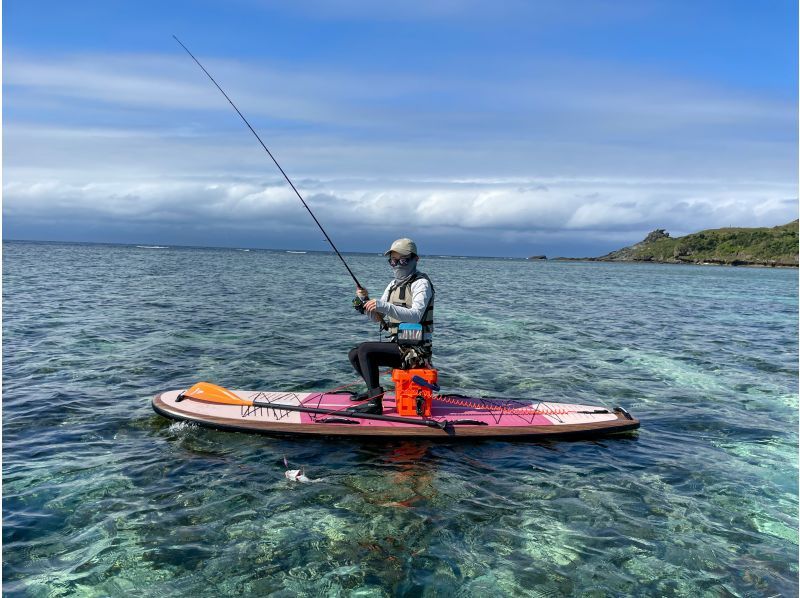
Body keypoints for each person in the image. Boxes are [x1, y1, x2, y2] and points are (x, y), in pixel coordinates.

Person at [347, 238, 434, 415]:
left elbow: (416, 315)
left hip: (416, 352)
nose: (397, 265)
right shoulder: (392, 285)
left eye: (402, 260)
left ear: (415, 259)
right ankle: (373, 392)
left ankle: (375, 404)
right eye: (393, 261)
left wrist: (382, 305)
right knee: (354, 354)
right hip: (399, 345)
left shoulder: (421, 284)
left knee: (365, 349)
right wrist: (365, 303)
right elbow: (379, 318)